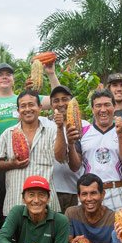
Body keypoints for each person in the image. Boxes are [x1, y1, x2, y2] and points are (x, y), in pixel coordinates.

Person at [0, 62, 59, 226]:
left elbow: (58, 100)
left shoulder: (26, 99)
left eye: (8, 73)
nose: (5, 76)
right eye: (0, 74)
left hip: (32, 165)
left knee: (35, 210)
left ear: (13, 79)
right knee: (2, 216)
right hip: (0, 166)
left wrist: (51, 74)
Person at [0, 89, 61, 215]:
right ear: (18, 111)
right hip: (16, 203)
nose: (27, 109)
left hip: (46, 205)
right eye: (23, 106)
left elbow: (61, 157)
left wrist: (61, 128)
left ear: (40, 107)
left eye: (31, 105)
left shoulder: (52, 131)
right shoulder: (8, 133)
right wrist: (12, 164)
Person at [68, 89, 122, 211]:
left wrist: (119, 135)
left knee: (121, 229)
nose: (103, 110)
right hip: (89, 192)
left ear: (114, 107)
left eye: (107, 105)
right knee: (87, 230)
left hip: (116, 190)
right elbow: (75, 166)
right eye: (98, 106)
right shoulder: (82, 132)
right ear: (92, 109)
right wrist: (70, 144)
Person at [48, 85, 85, 213]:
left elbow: (76, 166)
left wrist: (71, 143)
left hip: (74, 190)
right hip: (51, 191)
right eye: (56, 101)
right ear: (51, 104)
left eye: (65, 99)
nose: (61, 103)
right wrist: (59, 127)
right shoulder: (45, 126)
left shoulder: (84, 125)